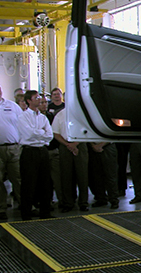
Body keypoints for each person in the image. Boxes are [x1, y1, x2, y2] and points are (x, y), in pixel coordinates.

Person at [17, 90, 53, 220]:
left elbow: (50, 135)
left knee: (45, 182)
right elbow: (28, 134)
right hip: (29, 151)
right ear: (29, 101)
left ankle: (45, 212)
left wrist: (38, 133)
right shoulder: (23, 117)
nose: (39, 99)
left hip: (42, 150)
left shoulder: (43, 117)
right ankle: (26, 213)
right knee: (29, 183)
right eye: (36, 97)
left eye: (39, 97)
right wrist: (41, 132)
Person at [52, 108, 89, 213]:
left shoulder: (82, 113)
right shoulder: (60, 115)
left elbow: (87, 130)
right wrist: (68, 144)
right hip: (65, 145)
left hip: (80, 144)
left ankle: (83, 203)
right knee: (66, 175)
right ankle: (68, 203)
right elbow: (56, 133)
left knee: (82, 175)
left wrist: (75, 144)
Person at [0, 86, 22, 221]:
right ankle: (2, 208)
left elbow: (22, 122)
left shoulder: (12, 106)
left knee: (18, 177)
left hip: (14, 148)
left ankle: (23, 204)